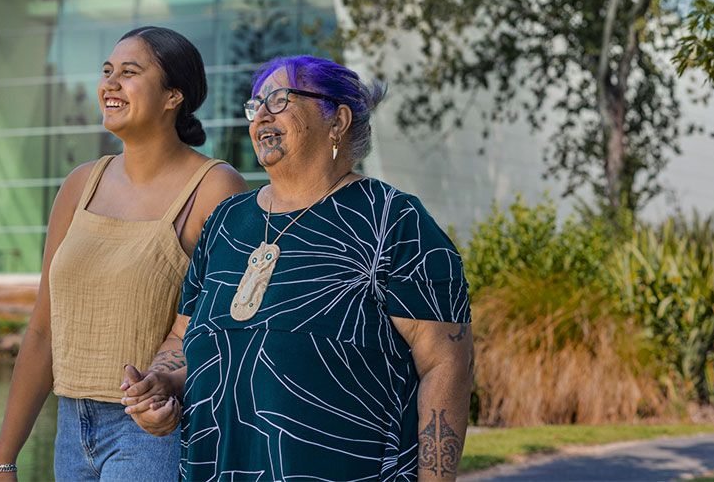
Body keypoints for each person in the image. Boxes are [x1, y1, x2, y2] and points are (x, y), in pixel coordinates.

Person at [123, 55, 474, 481]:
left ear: (338, 119)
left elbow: (445, 364)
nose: (261, 116)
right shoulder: (225, 223)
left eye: (279, 99)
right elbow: (183, 335)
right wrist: (163, 386)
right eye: (255, 106)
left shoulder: (393, 222)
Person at [0, 26, 248, 481]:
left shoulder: (214, 187)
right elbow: (43, 332)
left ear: (173, 96)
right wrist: (4, 460)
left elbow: (222, 332)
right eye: (107, 71)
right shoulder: (79, 184)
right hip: (70, 428)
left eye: (129, 72)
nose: (110, 83)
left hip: (154, 432)